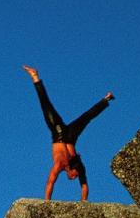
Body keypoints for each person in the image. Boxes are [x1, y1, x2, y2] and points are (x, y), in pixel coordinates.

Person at [23, 66, 113, 201]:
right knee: (47, 106)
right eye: (75, 175)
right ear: (71, 168)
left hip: (69, 136)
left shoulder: (78, 166)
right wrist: (46, 202)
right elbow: (50, 182)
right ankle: (35, 77)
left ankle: (106, 99)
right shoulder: (60, 164)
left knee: (86, 118)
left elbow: (84, 187)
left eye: (75, 175)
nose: (75, 177)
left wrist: (83, 202)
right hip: (61, 134)